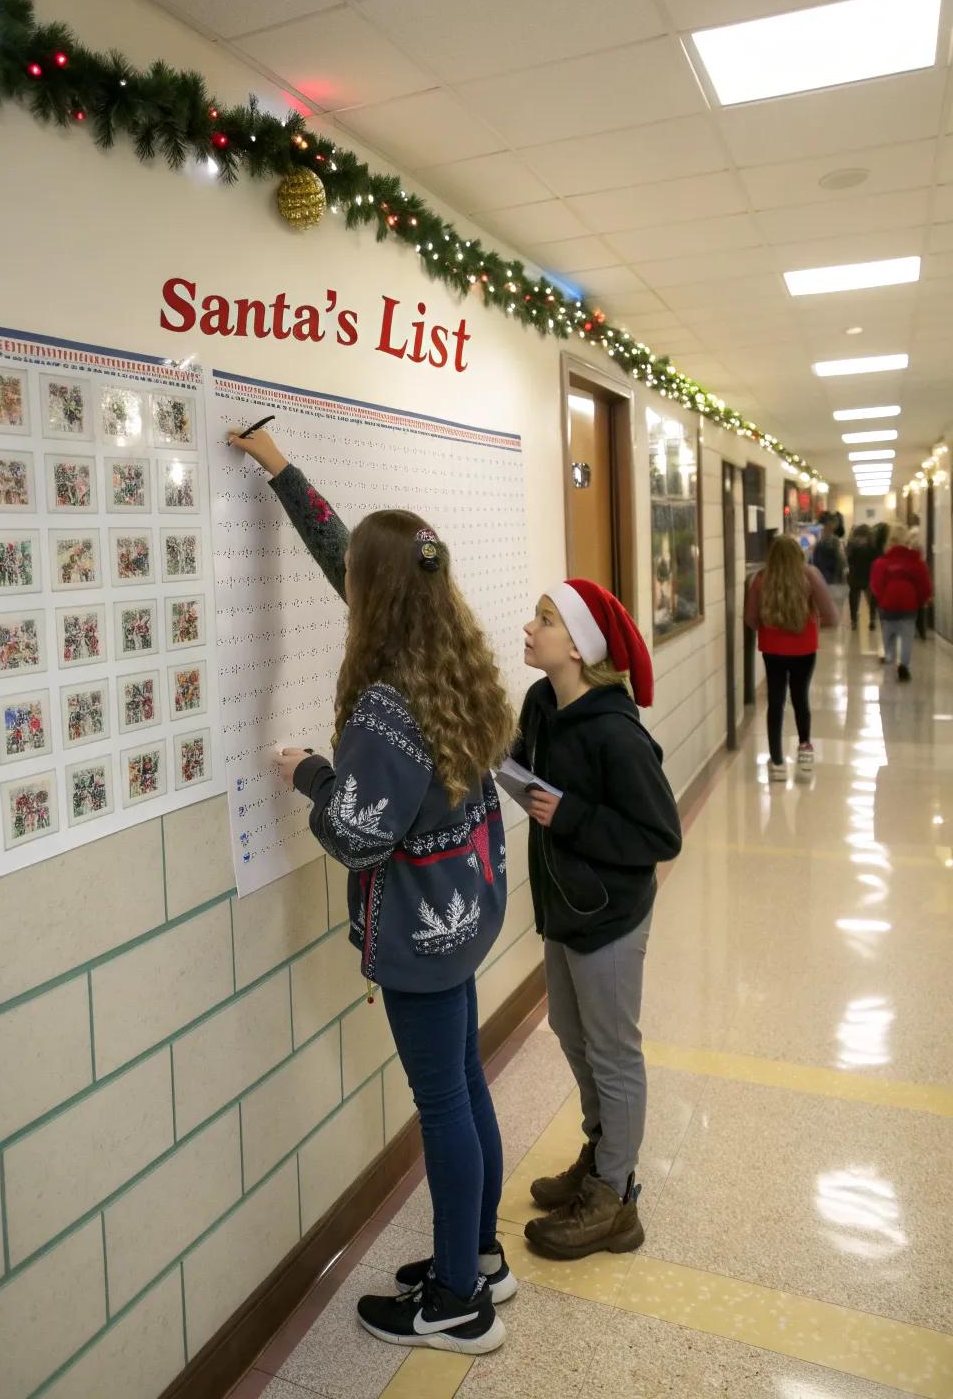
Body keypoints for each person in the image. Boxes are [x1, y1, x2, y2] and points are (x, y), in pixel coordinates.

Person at [228, 426, 517, 1355]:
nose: (344, 585)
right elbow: (346, 553)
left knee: (444, 1105)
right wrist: (281, 472)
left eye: (355, 578)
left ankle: (457, 1302)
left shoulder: (390, 707)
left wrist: (308, 770)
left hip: (420, 940)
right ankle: (480, 1258)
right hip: (466, 917)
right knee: (466, 1085)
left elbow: (355, 835)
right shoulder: (452, 663)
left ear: (375, 596)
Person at [509, 582, 682, 1260]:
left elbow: (661, 835)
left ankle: (615, 1198)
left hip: (610, 915)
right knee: (572, 1033)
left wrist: (573, 815)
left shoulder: (616, 731)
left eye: (545, 621)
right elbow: (522, 766)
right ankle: (602, 1150)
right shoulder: (541, 704)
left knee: (612, 1051)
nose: (530, 628)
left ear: (579, 647)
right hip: (563, 907)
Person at [745, 534, 839, 781]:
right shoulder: (810, 575)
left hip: (772, 649)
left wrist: (770, 626)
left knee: (775, 702)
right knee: (800, 698)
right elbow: (832, 617)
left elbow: (750, 619)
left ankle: (777, 762)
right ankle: (805, 751)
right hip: (804, 649)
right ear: (798, 553)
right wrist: (813, 624)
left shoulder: (760, 579)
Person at [870, 521, 932, 682]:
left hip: (887, 607)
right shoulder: (916, 563)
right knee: (907, 637)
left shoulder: (881, 563)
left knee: (888, 636)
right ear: (907, 541)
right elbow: (924, 586)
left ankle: (890, 659)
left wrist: (883, 599)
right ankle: (904, 665)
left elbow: (876, 586)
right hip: (908, 608)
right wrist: (920, 602)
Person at [812, 513, 847, 621]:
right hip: (831, 579)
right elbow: (841, 560)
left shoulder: (819, 540)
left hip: (825, 578)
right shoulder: (834, 541)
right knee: (834, 608)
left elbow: (814, 559)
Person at [846, 523, 875, 629]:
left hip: (855, 574)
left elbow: (848, 559)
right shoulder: (872, 545)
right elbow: (874, 560)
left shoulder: (852, 546)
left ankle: (854, 621)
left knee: (854, 598)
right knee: (871, 599)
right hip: (868, 574)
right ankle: (872, 620)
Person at [907, 526, 929, 641]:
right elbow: (923, 559)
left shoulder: (909, 547)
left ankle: (915, 629)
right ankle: (922, 631)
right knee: (921, 606)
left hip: (912, 578)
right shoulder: (920, 546)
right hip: (919, 576)